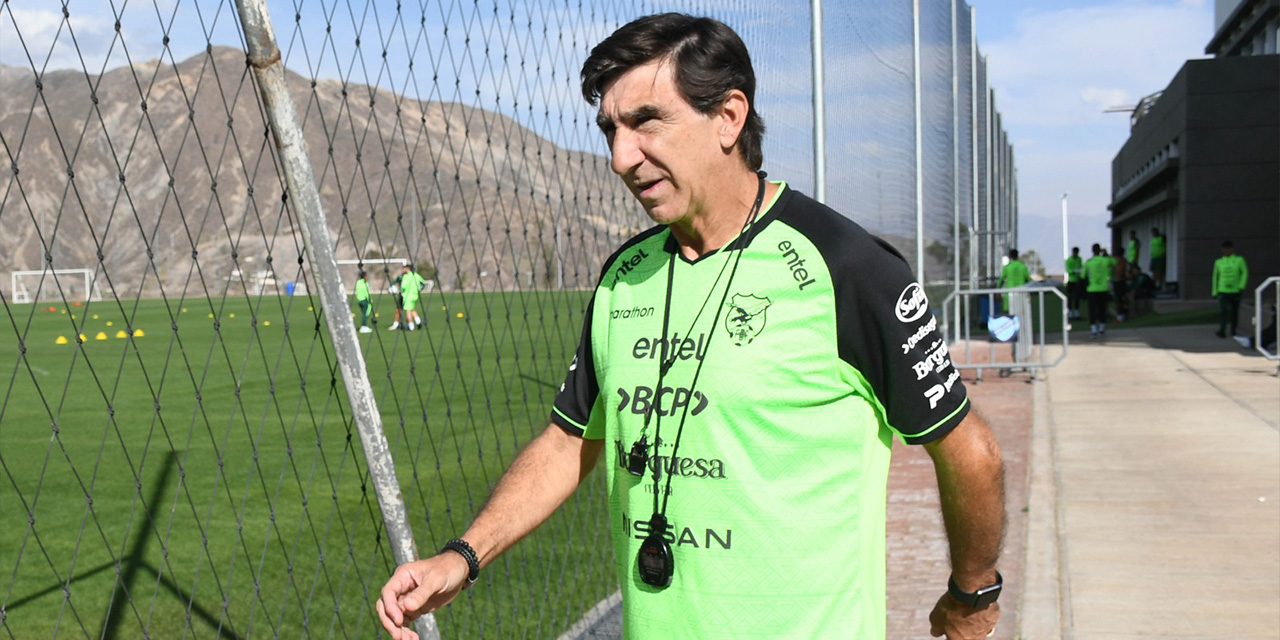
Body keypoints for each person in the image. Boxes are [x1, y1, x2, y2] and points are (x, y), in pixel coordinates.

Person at [376, 13, 1004, 640]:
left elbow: (970, 451)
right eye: (610, 131)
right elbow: (570, 441)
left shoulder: (844, 267)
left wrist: (972, 597)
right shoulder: (625, 275)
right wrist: (463, 556)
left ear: (729, 116)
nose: (623, 157)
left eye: (647, 121)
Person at [1212, 240, 1248, 338]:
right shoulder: (1218, 262)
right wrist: (1215, 291)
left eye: (1228, 248)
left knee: (1234, 311)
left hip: (1235, 290)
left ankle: (1233, 330)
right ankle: (1222, 330)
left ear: (1232, 249)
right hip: (1223, 290)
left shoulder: (1239, 260)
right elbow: (1215, 276)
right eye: (1225, 249)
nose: (1226, 250)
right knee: (1223, 310)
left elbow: (1244, 272)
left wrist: (1241, 285)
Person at [1084, 243, 1112, 337]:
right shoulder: (1105, 260)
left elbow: (1083, 275)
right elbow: (1114, 262)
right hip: (1103, 288)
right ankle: (1102, 326)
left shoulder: (1089, 262)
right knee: (1102, 308)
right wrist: (1106, 254)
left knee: (1092, 309)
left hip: (1092, 289)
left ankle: (1093, 328)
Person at [399, 264, 425, 330]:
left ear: (408, 269)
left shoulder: (406, 276)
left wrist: (401, 291)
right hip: (415, 295)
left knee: (408, 311)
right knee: (412, 309)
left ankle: (411, 327)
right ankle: (418, 322)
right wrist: (419, 289)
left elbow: (403, 286)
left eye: (404, 268)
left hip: (408, 296)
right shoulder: (416, 275)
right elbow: (423, 283)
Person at [1064, 246, 1085, 320]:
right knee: (1070, 297)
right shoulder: (1069, 260)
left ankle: (1077, 312)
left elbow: (1081, 267)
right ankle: (1070, 312)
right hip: (1071, 281)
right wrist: (1074, 271)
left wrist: (1080, 271)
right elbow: (1068, 269)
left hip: (1077, 281)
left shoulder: (1079, 259)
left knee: (1077, 297)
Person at [1149, 228, 1166, 292]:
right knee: (1154, 271)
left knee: (1159, 271)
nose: (1153, 234)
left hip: (1159, 257)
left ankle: (1159, 284)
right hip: (1154, 257)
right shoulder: (1153, 239)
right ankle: (1154, 285)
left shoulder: (1161, 238)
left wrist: (1163, 253)